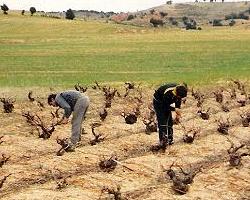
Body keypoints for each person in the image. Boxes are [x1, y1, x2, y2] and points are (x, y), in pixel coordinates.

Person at [152, 83, 187, 151]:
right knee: (162, 122)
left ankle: (170, 140)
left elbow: (178, 100)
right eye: (179, 96)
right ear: (176, 93)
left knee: (169, 121)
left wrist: (178, 109)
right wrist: (174, 109)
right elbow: (165, 106)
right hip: (159, 102)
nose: (180, 98)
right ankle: (163, 142)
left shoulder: (180, 90)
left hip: (166, 101)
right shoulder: (168, 93)